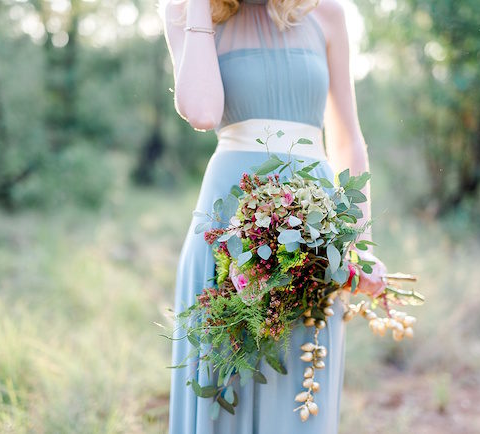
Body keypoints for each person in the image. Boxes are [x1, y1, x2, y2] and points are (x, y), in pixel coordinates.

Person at [161, 0, 388, 432]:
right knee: (224, 375)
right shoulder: (185, 11)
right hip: (225, 224)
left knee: (299, 387)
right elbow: (203, 112)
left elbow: (347, 137)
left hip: (317, 228)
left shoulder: (327, 13)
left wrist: (357, 246)